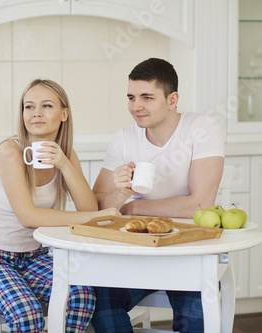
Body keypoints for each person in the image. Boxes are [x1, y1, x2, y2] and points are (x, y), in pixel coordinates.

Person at [0, 79, 121, 333]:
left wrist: (65, 165)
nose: (35, 113)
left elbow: (86, 206)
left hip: (33, 257)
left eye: (46, 106)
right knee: (28, 313)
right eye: (28, 106)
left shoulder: (67, 154)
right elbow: (28, 216)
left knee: (81, 298)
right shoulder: (10, 152)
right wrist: (92, 217)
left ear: (64, 113)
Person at [91, 58, 225, 333]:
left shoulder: (201, 128)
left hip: (187, 254)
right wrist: (120, 193)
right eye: (131, 97)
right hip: (134, 254)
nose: (135, 106)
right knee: (99, 302)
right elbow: (96, 205)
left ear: (172, 99)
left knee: (197, 313)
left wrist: (133, 209)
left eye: (147, 97)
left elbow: (199, 205)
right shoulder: (124, 138)